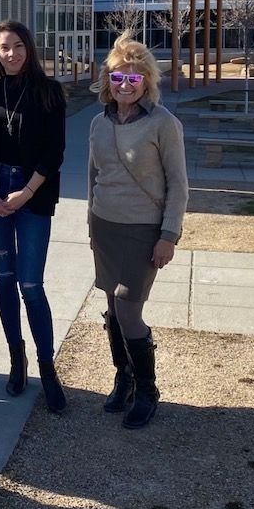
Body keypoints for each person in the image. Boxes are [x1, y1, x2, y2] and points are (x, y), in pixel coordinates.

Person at [87, 37, 188, 429]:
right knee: (112, 308)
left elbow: (178, 184)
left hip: (144, 229)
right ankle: (123, 377)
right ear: (107, 79)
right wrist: (90, 226)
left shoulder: (163, 123)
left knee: (129, 310)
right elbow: (93, 176)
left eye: (133, 77)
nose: (124, 84)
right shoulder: (98, 123)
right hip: (105, 227)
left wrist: (169, 235)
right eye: (117, 76)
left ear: (146, 81)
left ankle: (148, 389)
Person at [0, 20, 68, 412]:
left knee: (30, 284)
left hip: (33, 194)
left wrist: (25, 192)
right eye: (4, 48)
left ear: (29, 48)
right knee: (4, 280)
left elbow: (54, 152)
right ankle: (17, 360)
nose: (11, 54)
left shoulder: (49, 93)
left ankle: (47, 368)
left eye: (18, 46)